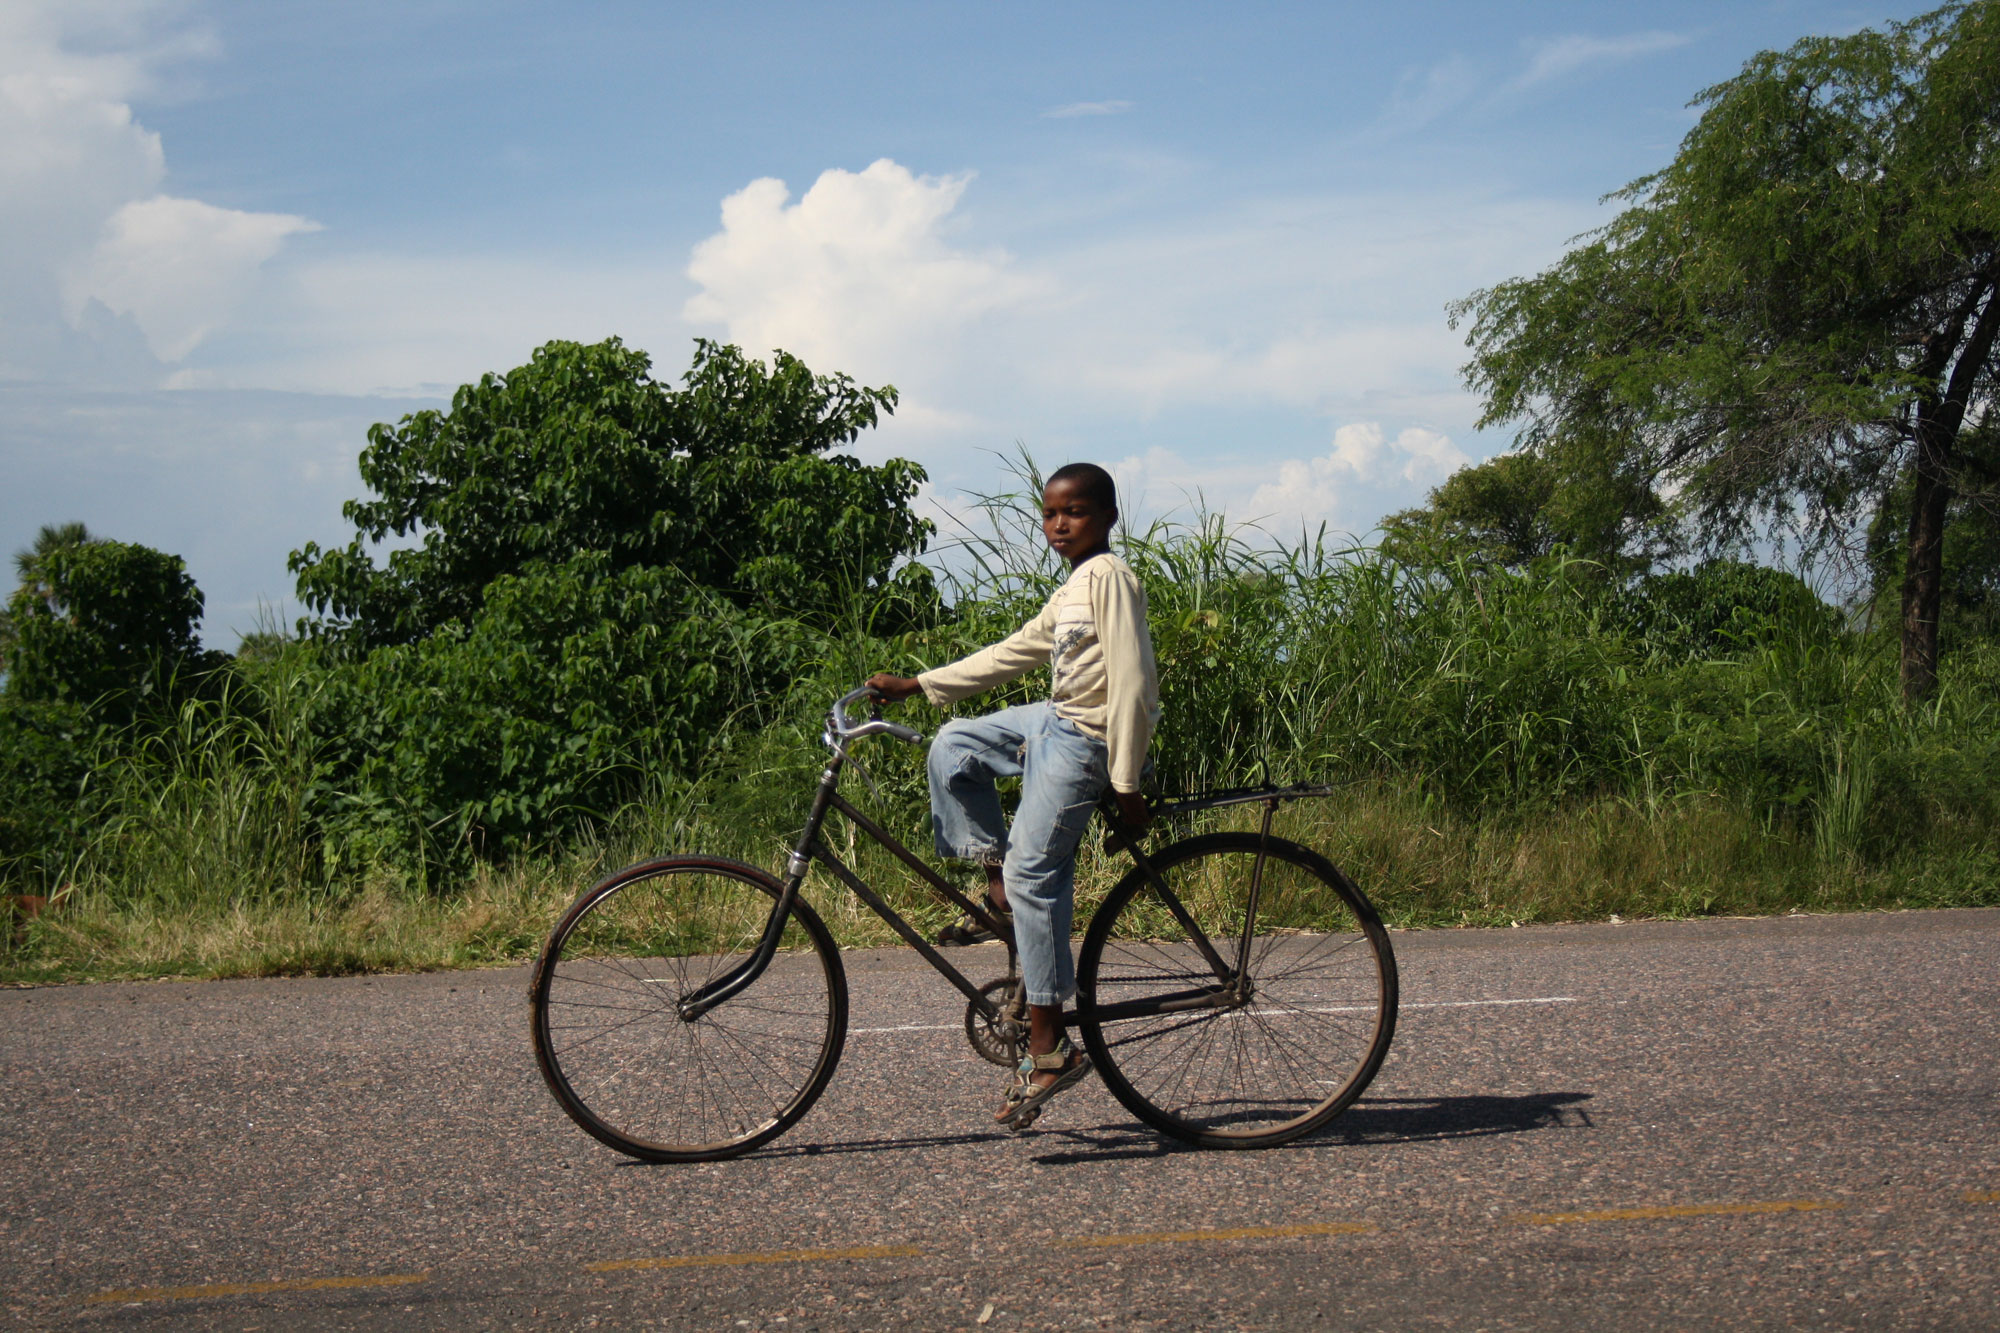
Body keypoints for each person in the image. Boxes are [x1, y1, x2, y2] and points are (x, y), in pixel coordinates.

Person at [867, 462, 1159, 1129]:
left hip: (1083, 738)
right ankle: (999, 889)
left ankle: (1050, 1043)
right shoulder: (1076, 586)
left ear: (1109, 517)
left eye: (1075, 512)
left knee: (1039, 873)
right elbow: (1017, 650)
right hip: (1051, 719)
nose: (1059, 525)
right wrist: (921, 684)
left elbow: (1135, 683)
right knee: (953, 746)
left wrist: (1128, 780)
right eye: (1050, 513)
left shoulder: (1111, 578)